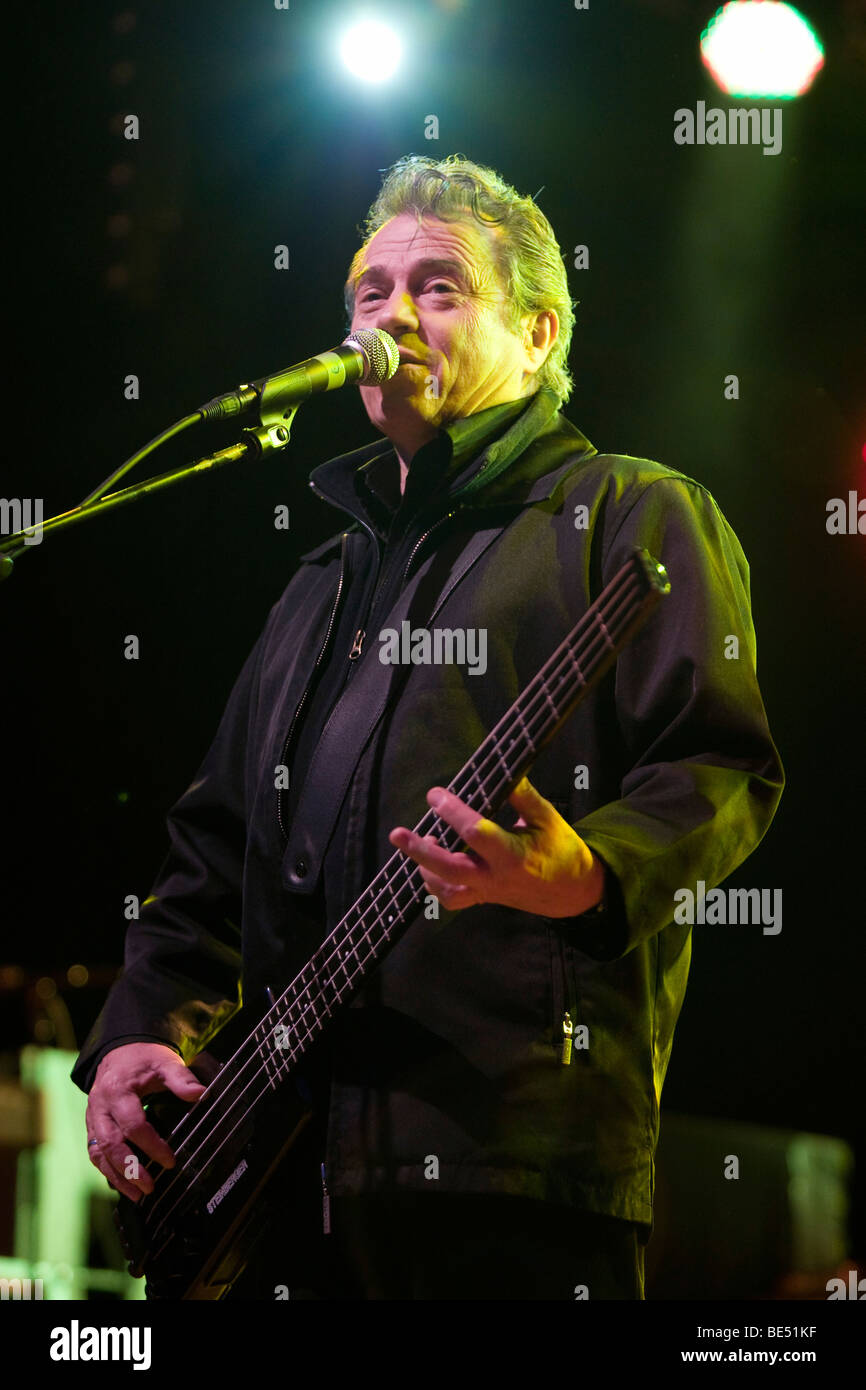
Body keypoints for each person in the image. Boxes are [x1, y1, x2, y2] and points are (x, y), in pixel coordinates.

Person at [72, 153, 785, 1300]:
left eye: (439, 287)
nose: (391, 312)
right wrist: (131, 1037)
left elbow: (720, 766)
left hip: (507, 1184)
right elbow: (208, 856)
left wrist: (589, 872)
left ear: (540, 335)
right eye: (369, 289)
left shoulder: (631, 514)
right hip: (274, 1189)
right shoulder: (318, 582)